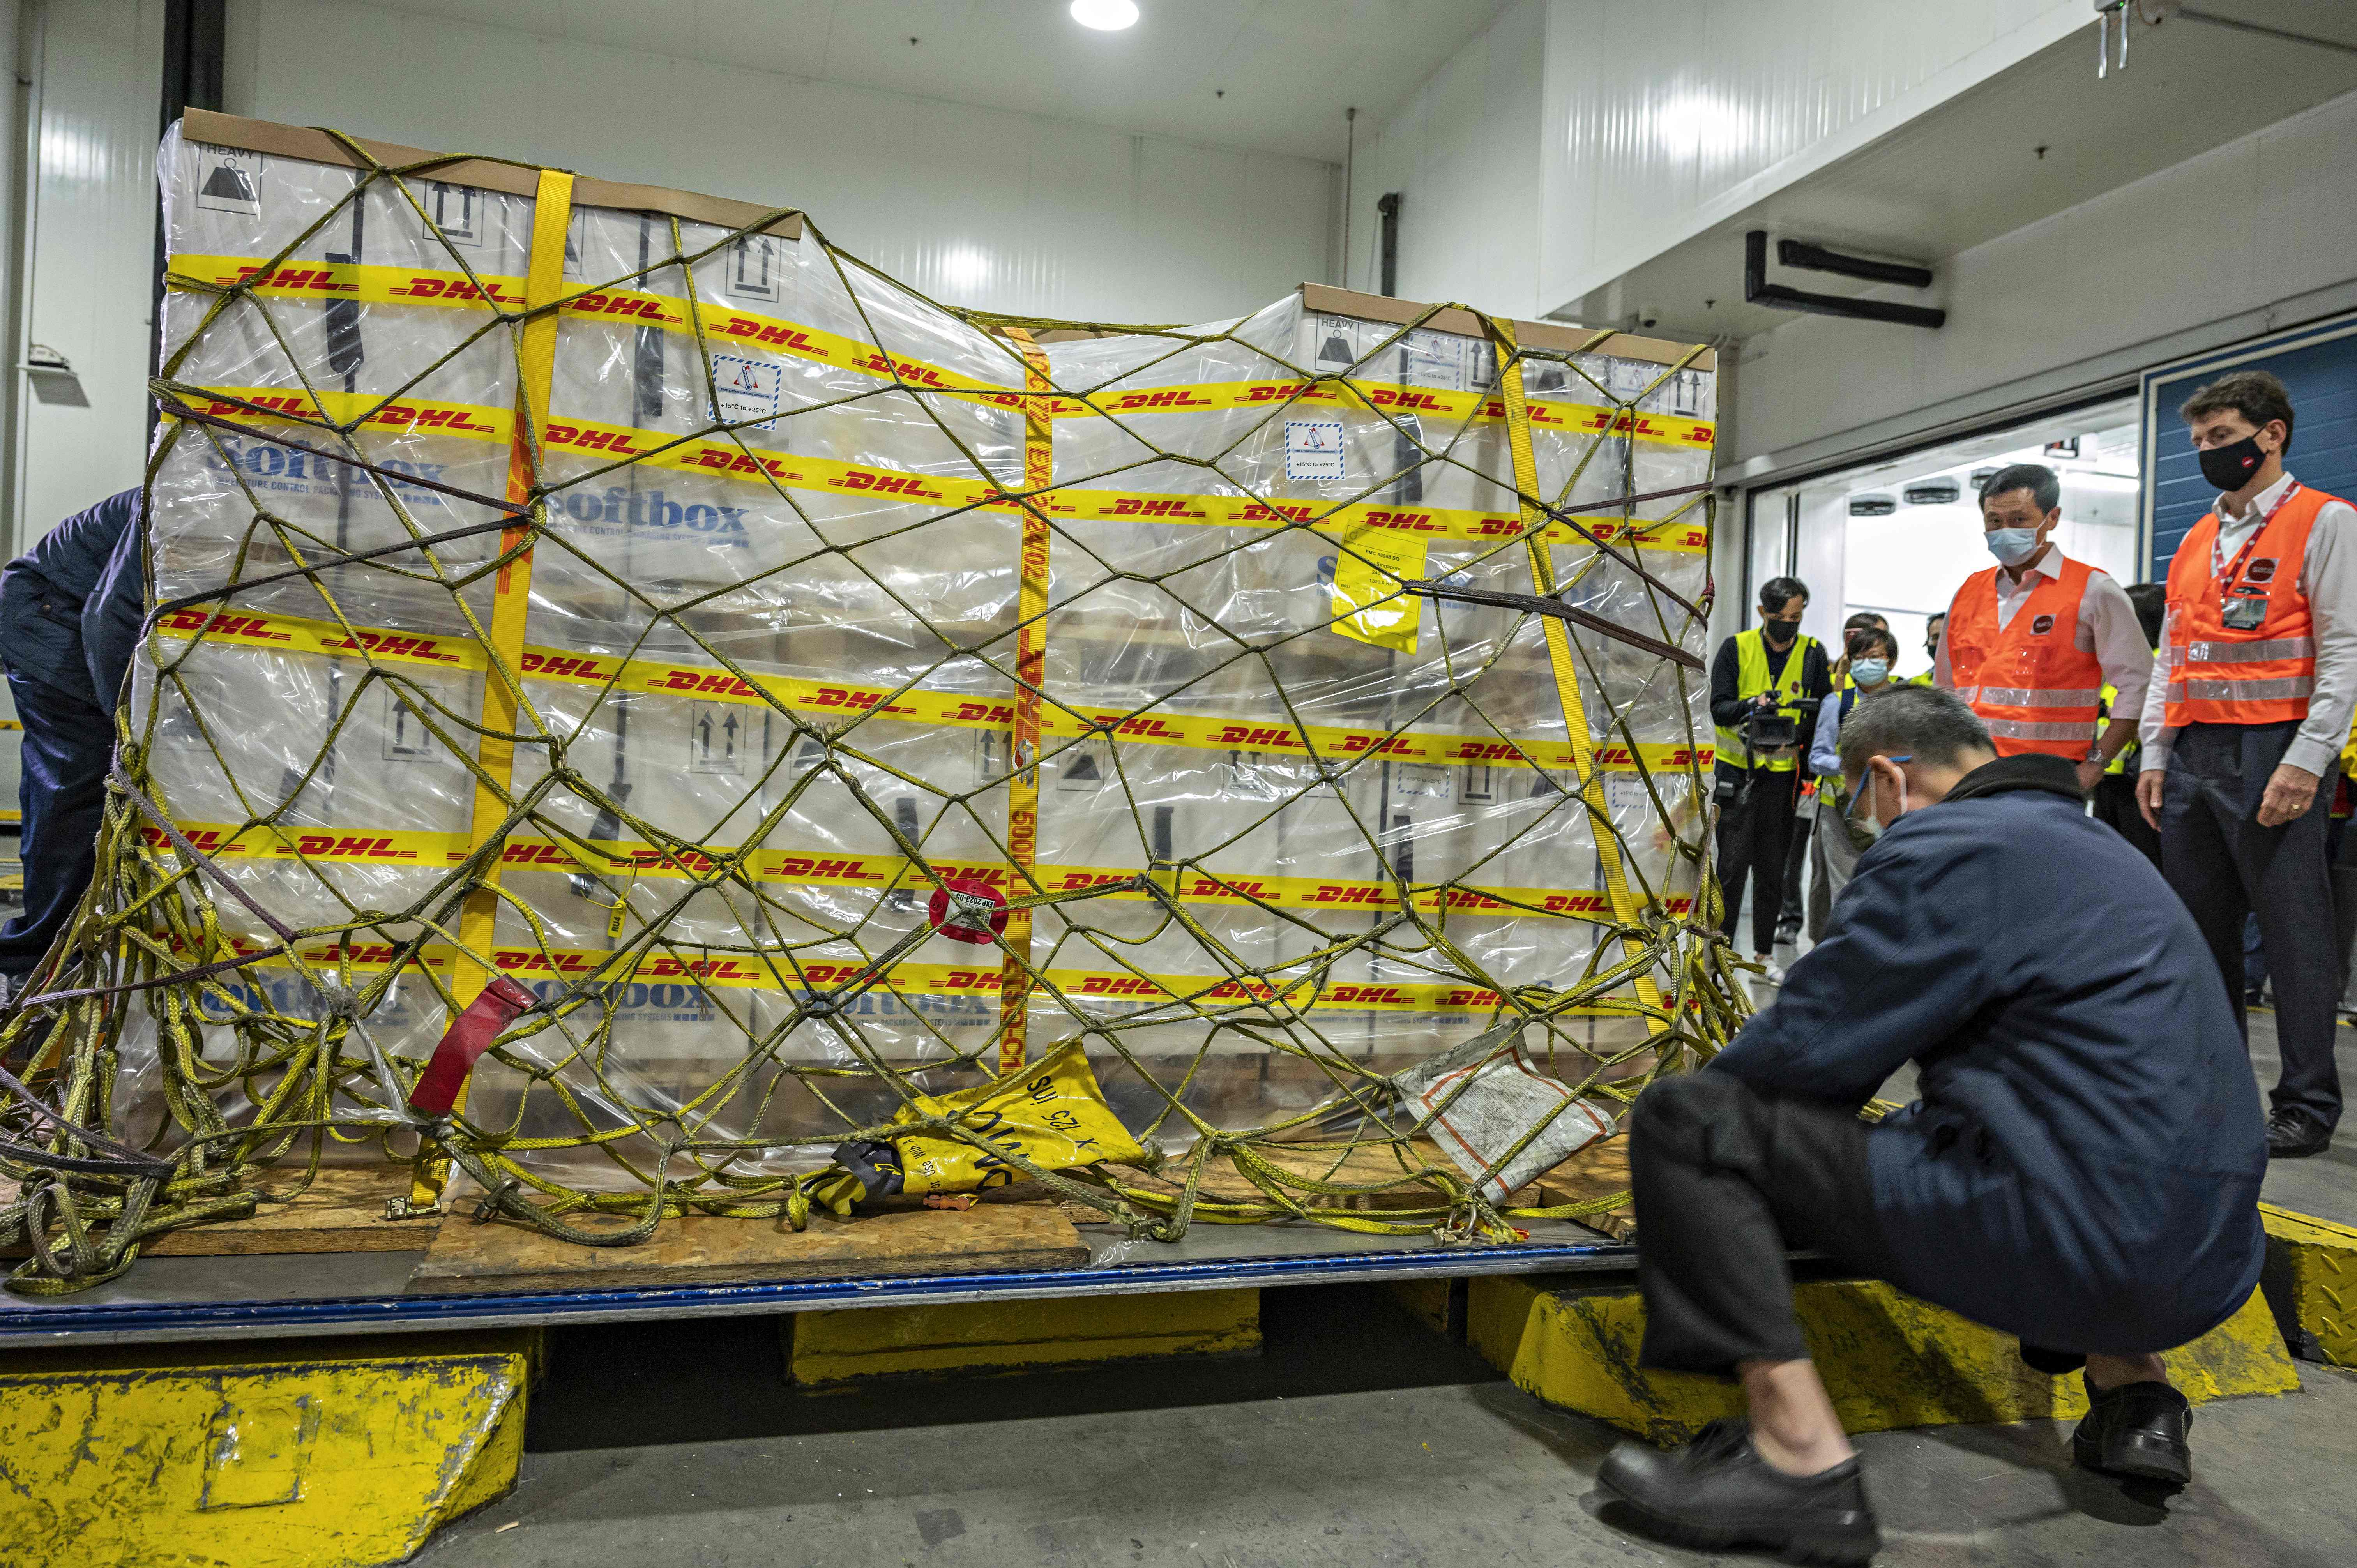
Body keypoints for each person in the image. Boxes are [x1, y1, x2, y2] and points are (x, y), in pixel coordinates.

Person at [1595, 687, 2265, 1564]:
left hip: (2092, 1245)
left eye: (1857, 800)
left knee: (1690, 1123)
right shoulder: (2099, 847)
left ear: (1886, 775)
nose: (1863, 822)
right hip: (2212, 1259)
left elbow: (1805, 1052)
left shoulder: (1947, 845)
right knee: (2044, 1116)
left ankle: (1800, 1465)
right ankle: (2137, 1395)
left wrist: (1661, 1180)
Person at [2136, 371, 2357, 1160]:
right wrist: (2155, 750)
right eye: (2197, 442)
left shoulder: (2325, 522)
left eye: (2220, 438)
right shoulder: (2198, 536)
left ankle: (2306, 1102)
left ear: (2272, 435)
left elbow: (2344, 652)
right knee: (2200, 933)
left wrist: (2308, 759)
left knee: (2296, 935)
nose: (2206, 452)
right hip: (2195, 750)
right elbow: (2174, 655)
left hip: (2276, 748)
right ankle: (2211, 1088)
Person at [0, 489, 143, 996]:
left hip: (60, 614)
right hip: (49, 619)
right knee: (75, 785)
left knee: (71, 787)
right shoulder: (176, 499)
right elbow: (111, 618)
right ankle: (31, 968)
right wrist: (124, 720)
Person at [1935, 464, 2150, 794]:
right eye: (1994, 521)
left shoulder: (2094, 590)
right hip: (1969, 774)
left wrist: (2096, 765)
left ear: (2052, 518)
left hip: (2049, 777)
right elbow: (1946, 690)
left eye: (2019, 520)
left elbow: (2137, 684)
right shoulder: (1968, 592)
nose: (2004, 530)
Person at [1710, 577, 1830, 983]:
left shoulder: (1813, 655)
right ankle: (1722, 959)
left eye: (1796, 618)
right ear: (1763, 613)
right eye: (1781, 617)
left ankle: (1763, 956)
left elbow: (1821, 717)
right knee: (1730, 870)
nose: (1789, 625)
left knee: (1773, 871)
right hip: (1739, 776)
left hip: (1785, 780)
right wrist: (1751, 706)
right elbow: (1719, 709)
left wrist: (1811, 775)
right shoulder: (1736, 648)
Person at [1776, 613, 1895, 947]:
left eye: (1875, 657)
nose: (1866, 664)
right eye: (1859, 657)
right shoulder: (1838, 703)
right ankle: (1841, 957)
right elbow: (1817, 757)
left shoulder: (1905, 702)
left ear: (1891, 660)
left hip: (1893, 812)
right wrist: (1853, 767)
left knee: (1886, 887)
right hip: (1840, 811)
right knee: (1844, 888)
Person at [2087, 581, 2165, 866]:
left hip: (2139, 780)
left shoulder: (2157, 665)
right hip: (2112, 776)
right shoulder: (2126, 665)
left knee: (2141, 862)